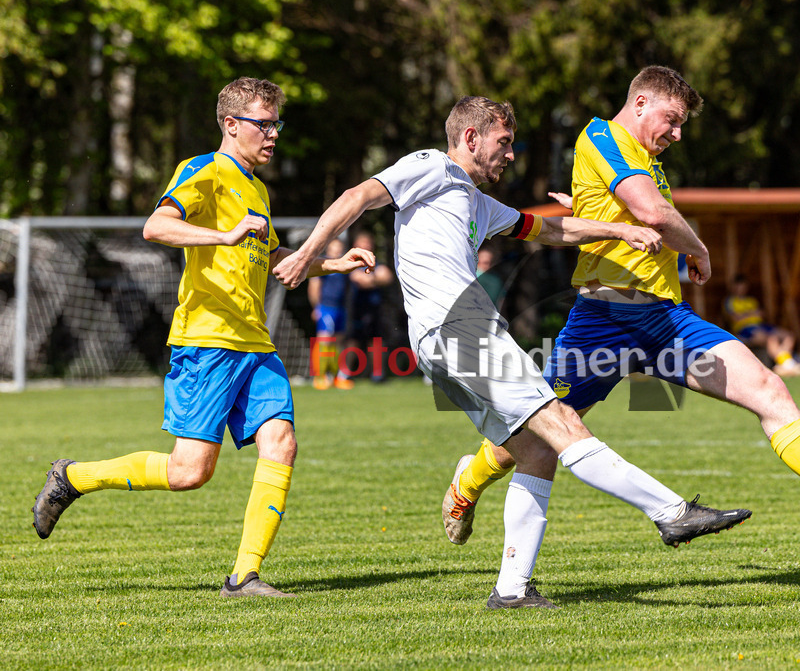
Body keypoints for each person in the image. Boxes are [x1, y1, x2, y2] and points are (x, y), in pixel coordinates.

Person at [273, 95, 752, 609]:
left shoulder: (478, 202)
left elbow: (548, 229)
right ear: (471, 138)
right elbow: (357, 195)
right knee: (563, 425)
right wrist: (308, 252)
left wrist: (619, 230)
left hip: (446, 337)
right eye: (503, 143)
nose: (510, 155)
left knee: (535, 450)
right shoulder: (431, 165)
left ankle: (511, 589)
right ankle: (671, 513)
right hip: (458, 328)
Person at [444, 66, 800, 552]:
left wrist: (589, 206)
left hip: (665, 322)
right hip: (602, 323)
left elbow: (621, 208)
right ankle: (466, 484)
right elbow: (652, 213)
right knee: (535, 439)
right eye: (673, 118)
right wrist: (699, 250)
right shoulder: (603, 135)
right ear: (640, 103)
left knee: (769, 388)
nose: (677, 133)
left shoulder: (643, 158)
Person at [31, 77, 375, 598]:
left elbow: (273, 258)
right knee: (190, 472)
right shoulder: (205, 170)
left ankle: (245, 576)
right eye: (264, 123)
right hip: (207, 341)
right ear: (232, 125)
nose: (274, 134)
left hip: (254, 343)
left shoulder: (256, 188)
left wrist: (331, 263)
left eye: (277, 123)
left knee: (281, 442)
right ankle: (74, 477)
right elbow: (157, 226)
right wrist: (223, 234)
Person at [723, 273, 800, 376]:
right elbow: (735, 318)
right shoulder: (729, 302)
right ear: (733, 287)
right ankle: (787, 363)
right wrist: (752, 313)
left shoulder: (751, 301)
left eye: (743, 286)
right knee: (771, 339)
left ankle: (784, 363)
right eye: (739, 286)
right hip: (745, 329)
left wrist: (744, 314)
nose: (741, 289)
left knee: (788, 336)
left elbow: (761, 315)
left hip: (761, 326)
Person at [346, 230, 395, 382]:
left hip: (375, 309)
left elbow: (387, 276)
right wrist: (376, 279)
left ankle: (377, 374)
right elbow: (359, 280)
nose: (366, 246)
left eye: (368, 243)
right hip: (358, 309)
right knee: (353, 340)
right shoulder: (350, 263)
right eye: (363, 243)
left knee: (376, 341)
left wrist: (371, 280)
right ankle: (344, 373)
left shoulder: (375, 262)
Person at [308, 237, 355, 390]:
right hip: (326, 307)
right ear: (328, 250)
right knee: (325, 340)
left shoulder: (344, 267)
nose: (336, 252)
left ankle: (336, 376)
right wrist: (317, 307)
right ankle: (319, 376)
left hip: (340, 308)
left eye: (339, 249)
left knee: (339, 342)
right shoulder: (324, 265)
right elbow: (314, 286)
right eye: (334, 249)